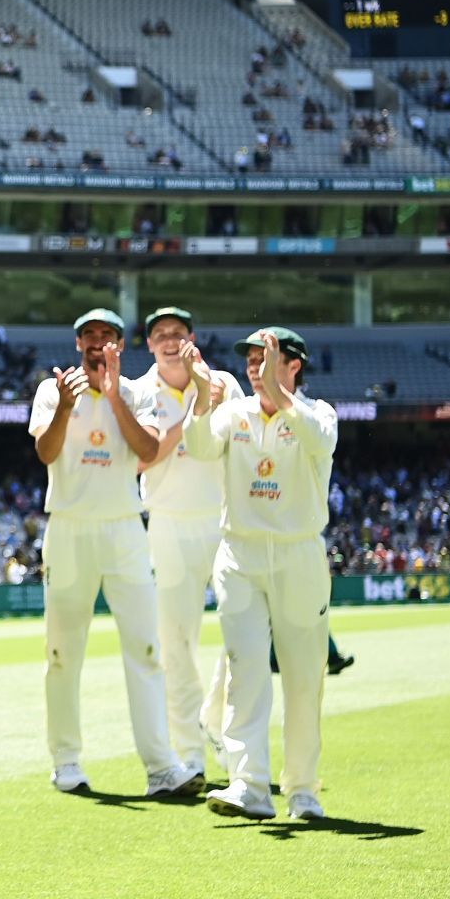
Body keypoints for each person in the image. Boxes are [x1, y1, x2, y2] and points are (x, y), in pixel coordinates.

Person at [28, 310, 197, 799]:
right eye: (88, 336)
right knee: (62, 652)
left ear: (120, 344)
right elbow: (46, 452)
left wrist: (117, 392)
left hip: (124, 528)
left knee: (145, 648)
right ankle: (66, 761)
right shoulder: (52, 389)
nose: (97, 344)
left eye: (106, 336)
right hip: (70, 527)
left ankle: (161, 768)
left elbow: (147, 448)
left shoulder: (139, 392)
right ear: (77, 342)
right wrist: (64, 405)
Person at [183, 329, 338, 821]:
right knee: (244, 671)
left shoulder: (319, 414)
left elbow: (315, 437)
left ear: (295, 364)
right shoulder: (235, 413)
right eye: (250, 359)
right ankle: (249, 785)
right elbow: (200, 447)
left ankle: (303, 791)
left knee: (303, 676)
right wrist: (200, 399)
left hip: (299, 555)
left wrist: (279, 390)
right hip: (240, 555)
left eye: (266, 357)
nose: (254, 366)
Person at [135, 307, 242, 780]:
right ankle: (191, 758)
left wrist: (211, 394)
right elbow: (142, 459)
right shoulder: (138, 390)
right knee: (175, 644)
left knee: (242, 632)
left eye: (177, 333)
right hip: (168, 523)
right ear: (150, 345)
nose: (170, 340)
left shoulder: (225, 382)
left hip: (223, 521)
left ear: (192, 337)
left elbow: (244, 445)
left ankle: (219, 727)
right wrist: (199, 405)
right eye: (160, 335)